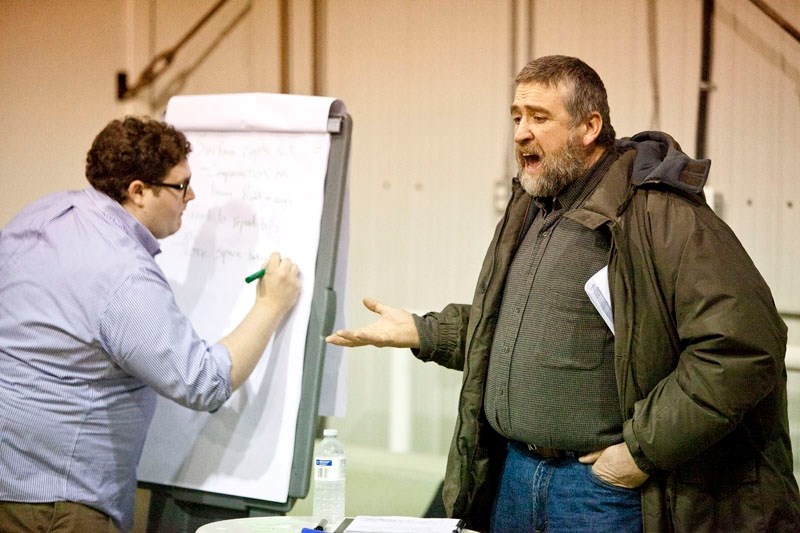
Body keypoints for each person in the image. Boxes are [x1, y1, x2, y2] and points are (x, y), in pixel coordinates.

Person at [326, 55, 800, 532]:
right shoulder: (532, 209)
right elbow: (516, 329)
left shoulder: (659, 214)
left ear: (589, 126)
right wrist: (424, 331)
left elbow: (742, 347)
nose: (520, 133)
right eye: (516, 117)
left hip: (601, 491)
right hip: (514, 479)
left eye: (539, 117)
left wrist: (639, 452)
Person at [0, 116, 301, 532]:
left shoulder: (43, 214)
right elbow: (203, 382)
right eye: (180, 186)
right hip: (59, 502)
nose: (191, 196)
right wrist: (271, 305)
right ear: (138, 191)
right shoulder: (122, 273)